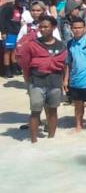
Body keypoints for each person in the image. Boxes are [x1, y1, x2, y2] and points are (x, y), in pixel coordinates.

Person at [18, 15, 68, 143]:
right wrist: (27, 80)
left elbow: (66, 65)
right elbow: (24, 64)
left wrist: (65, 80)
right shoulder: (31, 45)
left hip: (55, 81)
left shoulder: (62, 46)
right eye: (41, 27)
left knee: (53, 111)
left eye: (46, 27)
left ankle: (51, 138)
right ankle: (33, 140)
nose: (42, 29)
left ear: (53, 28)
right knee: (35, 111)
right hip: (37, 81)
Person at [62, 16, 86, 133]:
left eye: (80, 27)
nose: (77, 30)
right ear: (71, 29)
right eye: (75, 28)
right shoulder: (70, 44)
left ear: (84, 28)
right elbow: (68, 63)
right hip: (75, 80)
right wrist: (66, 79)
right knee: (78, 104)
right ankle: (78, 125)